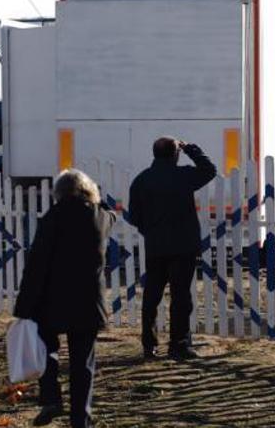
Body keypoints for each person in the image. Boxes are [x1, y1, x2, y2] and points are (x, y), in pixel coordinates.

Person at [14, 169, 117, 428]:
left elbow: (36, 264)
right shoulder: (100, 218)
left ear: (58, 193)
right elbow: (111, 211)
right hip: (87, 302)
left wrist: (24, 305)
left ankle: (51, 398)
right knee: (83, 363)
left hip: (51, 300)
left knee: (47, 350)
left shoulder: (52, 218)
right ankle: (80, 418)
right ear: (88, 191)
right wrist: (97, 197)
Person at [129, 137, 216, 360]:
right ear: (175, 154)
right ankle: (178, 344)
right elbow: (209, 170)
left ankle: (149, 345)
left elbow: (133, 215)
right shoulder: (183, 176)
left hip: (156, 246)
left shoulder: (142, 180)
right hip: (183, 245)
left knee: (152, 296)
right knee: (180, 297)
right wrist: (191, 148)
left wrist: (149, 229)